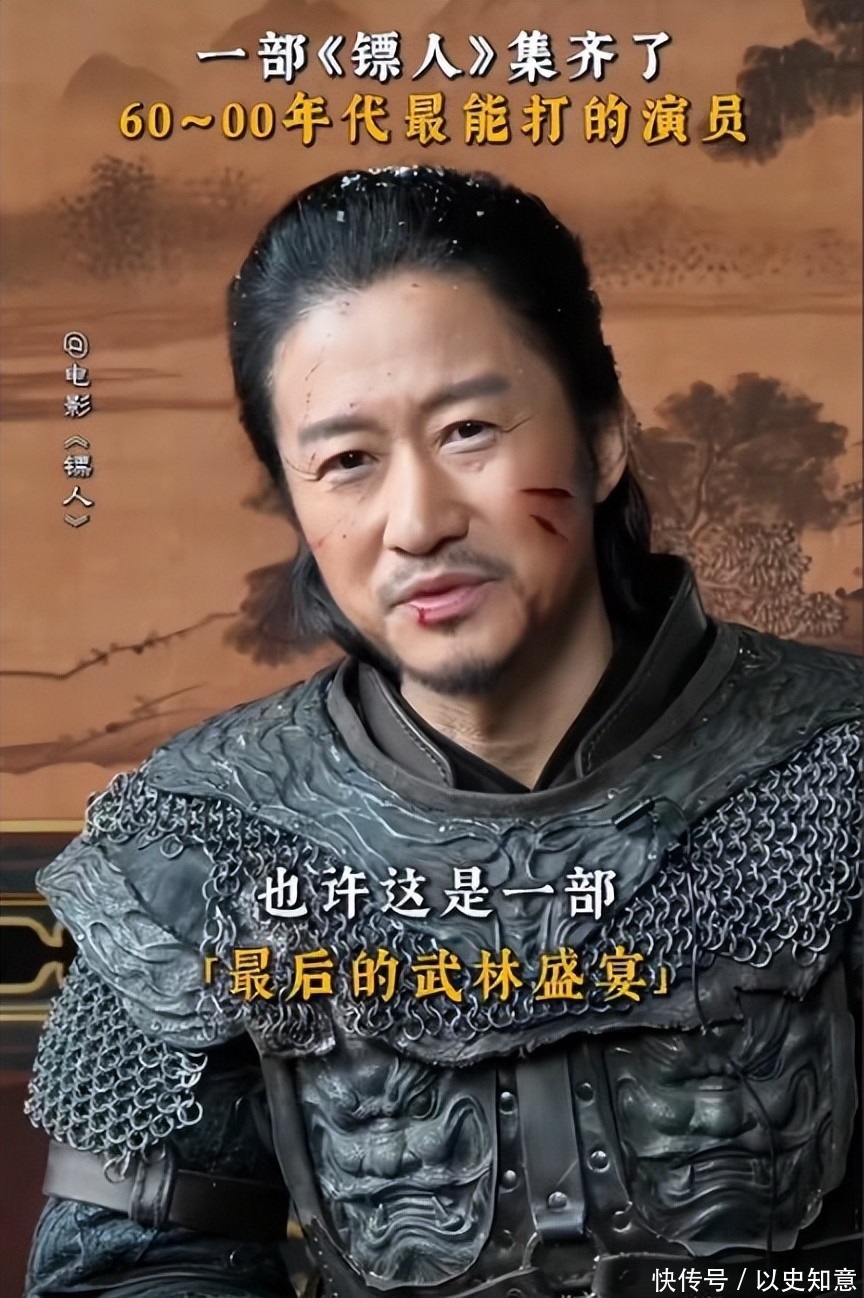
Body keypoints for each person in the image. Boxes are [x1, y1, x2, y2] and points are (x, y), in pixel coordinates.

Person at [25, 167, 861, 1298]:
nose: (417, 521)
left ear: (603, 438)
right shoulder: (197, 841)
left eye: (469, 430)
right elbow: (136, 1265)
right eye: (347, 462)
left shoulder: (837, 769)